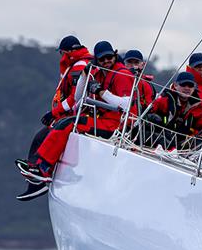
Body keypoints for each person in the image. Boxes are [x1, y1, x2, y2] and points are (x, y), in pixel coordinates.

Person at [15, 41, 134, 194]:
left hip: (114, 125)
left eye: (109, 57)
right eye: (102, 59)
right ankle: (39, 166)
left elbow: (125, 105)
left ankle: (43, 168)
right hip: (103, 120)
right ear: (96, 60)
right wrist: (85, 74)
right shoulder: (99, 71)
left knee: (68, 124)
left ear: (115, 55)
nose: (106, 61)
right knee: (64, 123)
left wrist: (101, 92)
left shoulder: (121, 74)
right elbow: (78, 96)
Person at [147, 71, 202, 148]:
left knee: (200, 143)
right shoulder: (163, 100)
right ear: (175, 85)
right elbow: (146, 114)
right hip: (159, 139)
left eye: (190, 85)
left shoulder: (198, 107)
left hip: (180, 144)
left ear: (194, 88)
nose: (187, 88)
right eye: (183, 84)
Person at [123, 49, 156, 113]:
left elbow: (149, 106)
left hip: (136, 118)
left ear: (142, 65)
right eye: (129, 62)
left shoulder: (147, 85)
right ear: (124, 64)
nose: (133, 65)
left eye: (136, 62)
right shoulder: (117, 78)